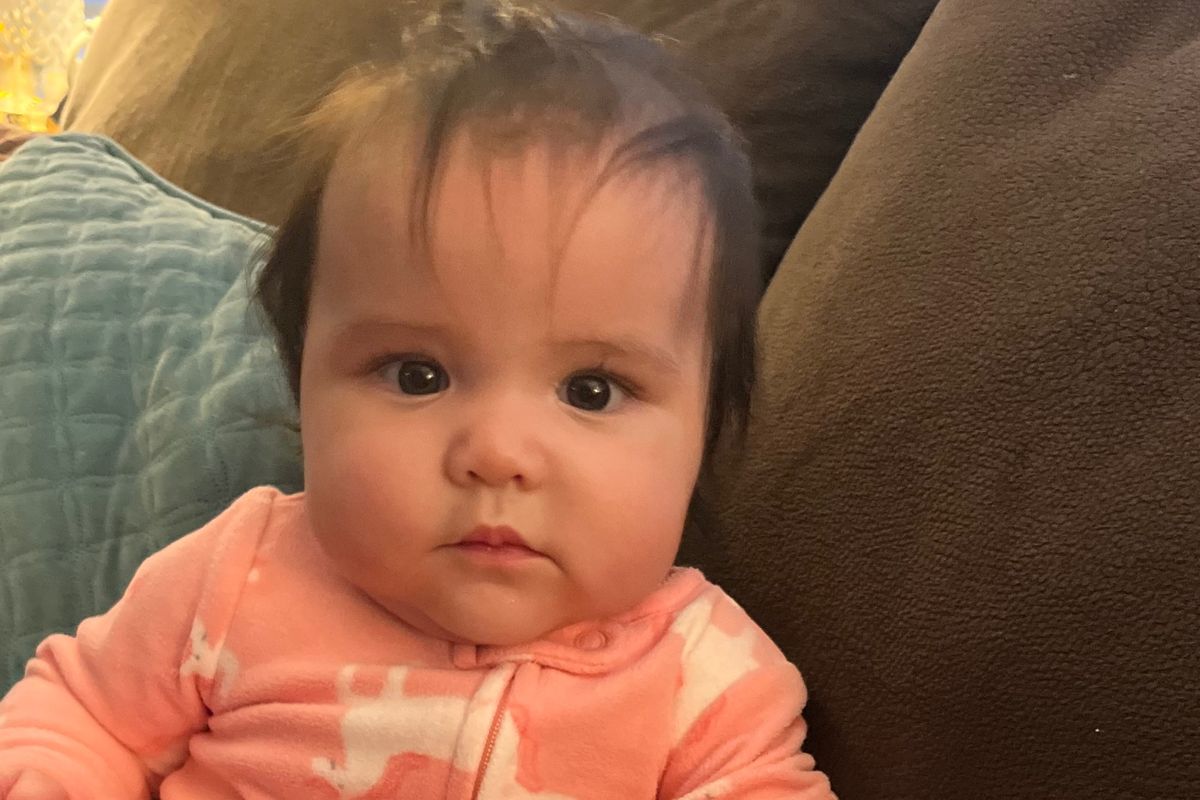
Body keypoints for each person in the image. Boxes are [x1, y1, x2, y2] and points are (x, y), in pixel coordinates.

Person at [0, 2, 835, 797]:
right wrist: (53, 774)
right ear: (305, 384)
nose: (497, 453)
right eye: (416, 375)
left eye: (592, 391)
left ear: (703, 430)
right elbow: (86, 717)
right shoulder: (237, 578)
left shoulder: (707, 682)